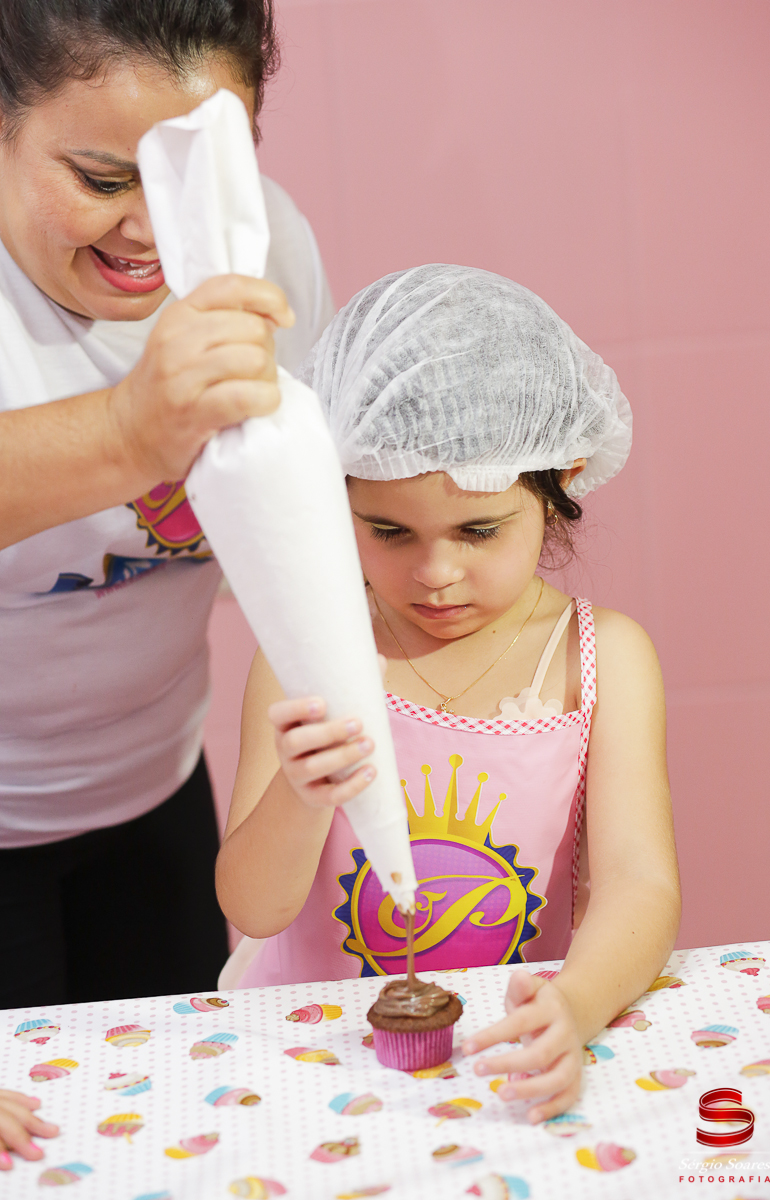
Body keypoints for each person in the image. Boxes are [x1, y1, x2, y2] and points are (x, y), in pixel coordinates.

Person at [216, 264, 681, 1125]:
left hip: (497, 1048)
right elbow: (253, 907)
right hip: (306, 1056)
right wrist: (301, 793)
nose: (435, 573)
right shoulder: (307, 657)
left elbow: (637, 883)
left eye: (479, 531)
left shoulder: (601, 658)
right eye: (389, 532)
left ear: (563, 482)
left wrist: (574, 1006)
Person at [0, 0, 334, 1013]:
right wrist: (126, 432)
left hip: (157, 788)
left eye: (197, 170)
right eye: (103, 180)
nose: (151, 227)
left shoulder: (263, 246)